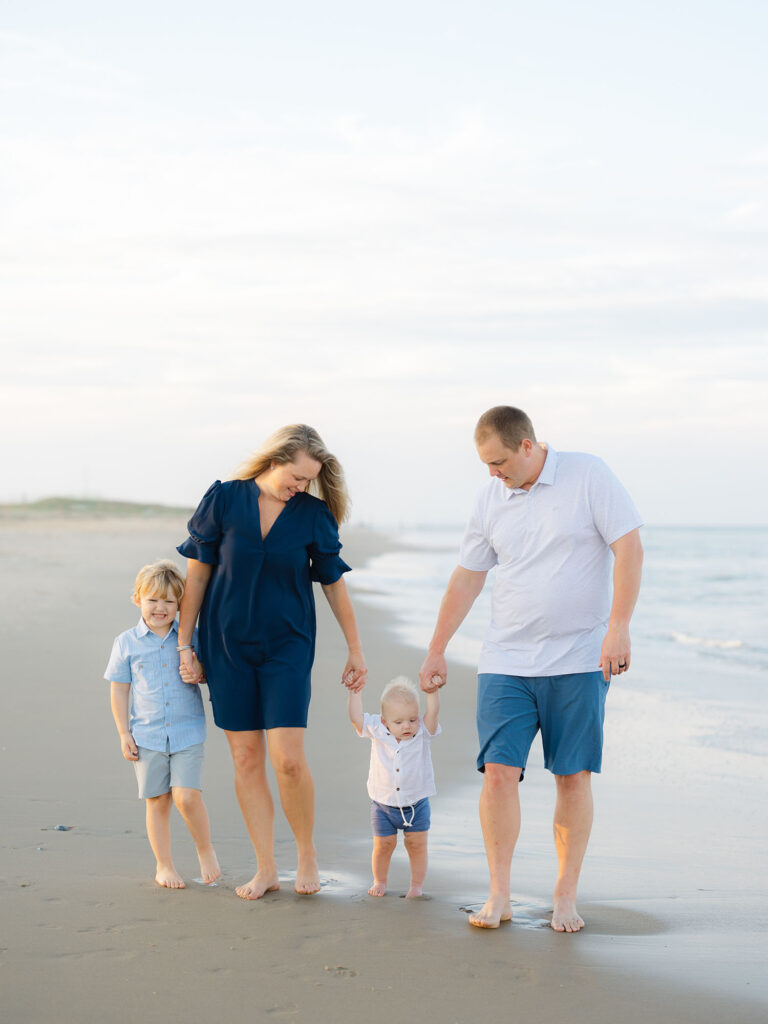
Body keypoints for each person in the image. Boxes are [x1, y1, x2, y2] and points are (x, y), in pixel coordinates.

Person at [419, 406, 643, 932]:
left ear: (527, 445)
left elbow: (629, 548)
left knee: (572, 777)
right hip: (506, 660)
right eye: (484, 464)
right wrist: (436, 648)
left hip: (579, 659)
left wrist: (619, 626)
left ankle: (565, 897)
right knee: (498, 774)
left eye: (498, 461)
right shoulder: (491, 497)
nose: (492, 473)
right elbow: (468, 577)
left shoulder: (588, 475)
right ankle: (499, 895)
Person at [176, 424, 367, 899]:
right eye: (296, 477)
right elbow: (196, 578)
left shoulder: (313, 515)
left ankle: (306, 854)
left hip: (288, 646)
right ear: (275, 458)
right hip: (225, 645)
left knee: (288, 761)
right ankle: (265, 867)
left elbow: (333, 584)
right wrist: (185, 643)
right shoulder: (224, 499)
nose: (300, 488)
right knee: (245, 758)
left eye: (307, 482)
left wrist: (355, 648)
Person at [105, 559, 221, 889]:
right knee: (157, 800)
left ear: (180, 605)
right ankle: (164, 865)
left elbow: (206, 675)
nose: (160, 607)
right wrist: (123, 732)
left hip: (188, 731)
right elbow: (119, 688)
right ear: (138, 599)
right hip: (146, 734)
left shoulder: (190, 638)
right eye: (153, 599)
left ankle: (204, 849)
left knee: (186, 796)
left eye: (170, 601)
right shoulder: (126, 642)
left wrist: (198, 670)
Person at [347, 676, 440, 898]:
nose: (407, 726)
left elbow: (433, 714)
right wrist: (355, 692)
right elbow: (356, 718)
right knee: (383, 845)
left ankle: (416, 886)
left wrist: (432, 692)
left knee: (417, 846)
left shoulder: (422, 733)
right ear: (385, 721)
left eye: (412, 719)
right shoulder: (377, 729)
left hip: (416, 805)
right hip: (383, 805)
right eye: (399, 722)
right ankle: (379, 880)